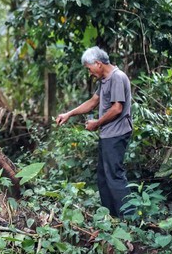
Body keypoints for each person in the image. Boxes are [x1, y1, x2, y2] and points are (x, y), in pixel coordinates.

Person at [56, 46, 133, 218]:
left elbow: (117, 108)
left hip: (117, 134)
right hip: (107, 135)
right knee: (103, 178)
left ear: (98, 64)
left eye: (89, 68)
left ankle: (129, 219)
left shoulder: (117, 77)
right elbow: (92, 102)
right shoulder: (105, 80)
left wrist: (97, 123)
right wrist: (68, 114)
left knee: (114, 177)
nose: (89, 72)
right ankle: (111, 217)